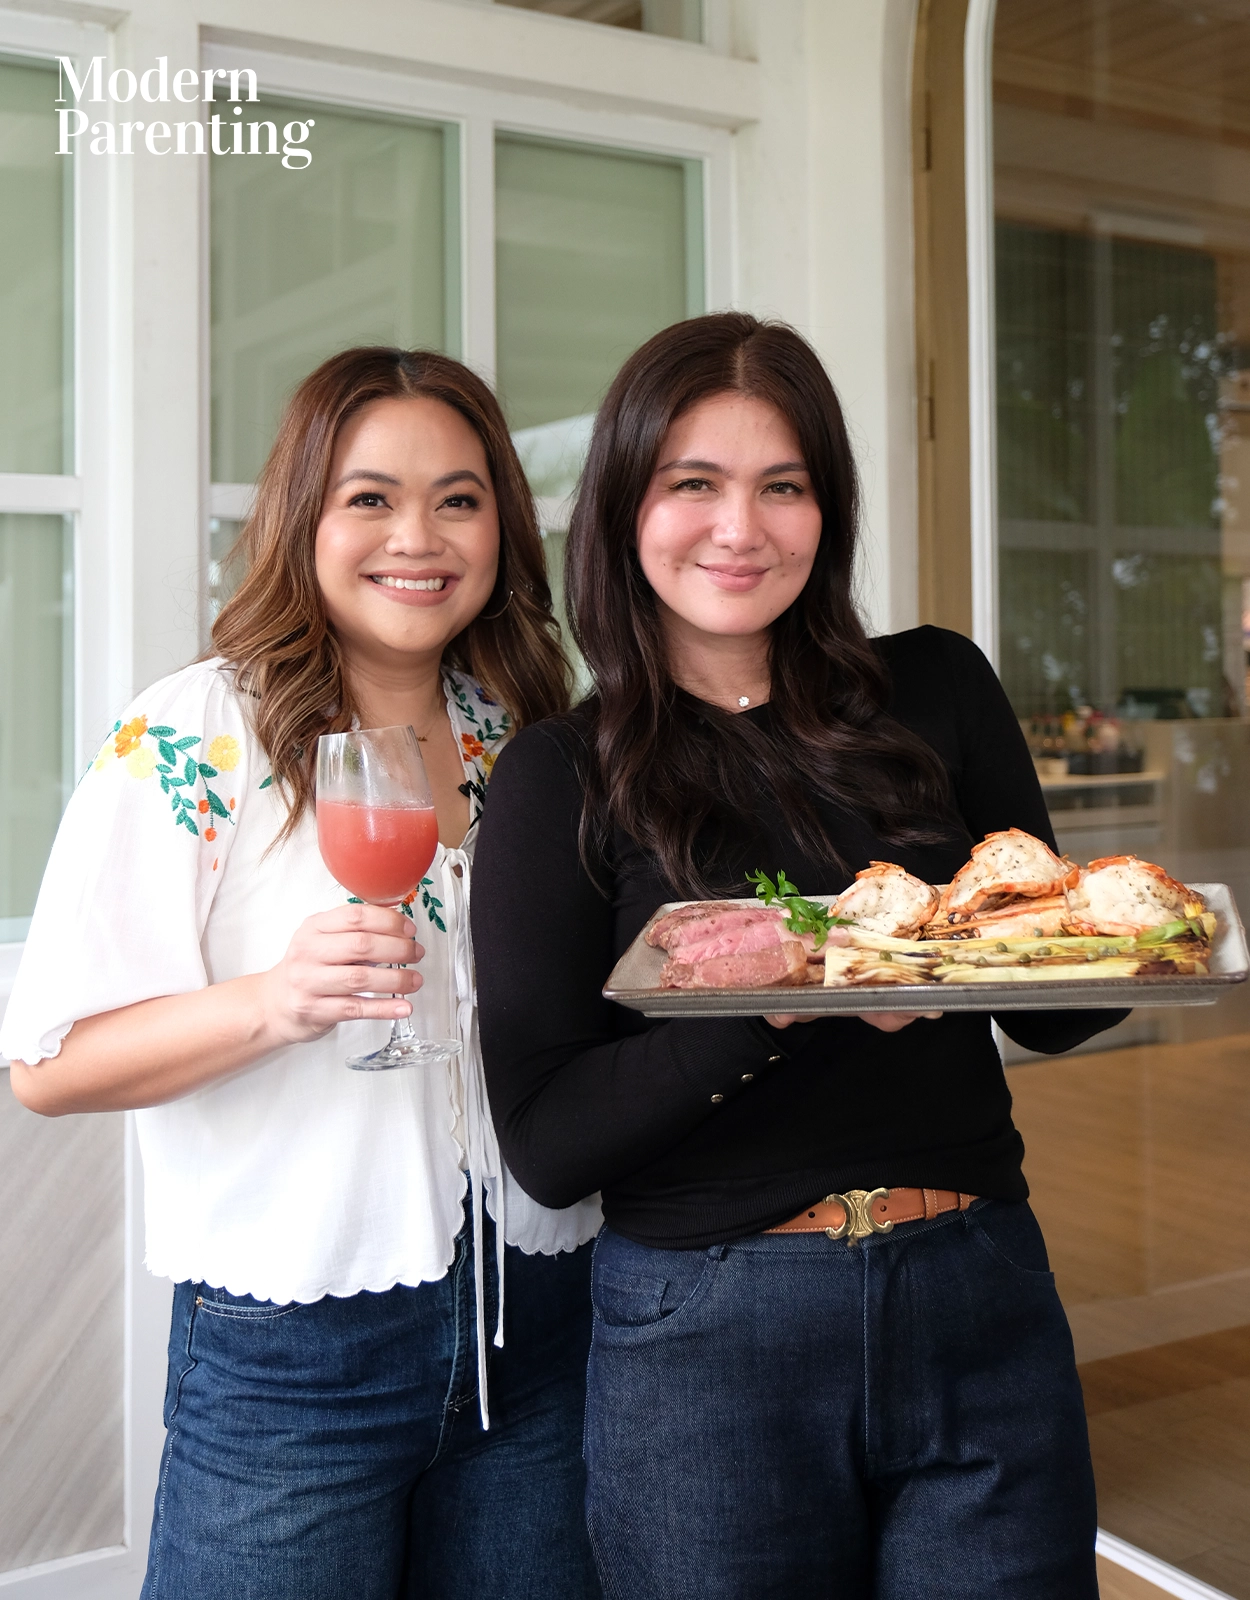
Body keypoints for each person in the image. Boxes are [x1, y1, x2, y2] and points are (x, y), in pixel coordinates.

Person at [470, 313, 1126, 1600]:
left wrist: (1082, 944)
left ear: (827, 509)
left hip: (974, 1287)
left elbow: (1054, 1010)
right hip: (708, 1335)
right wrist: (785, 997)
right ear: (622, 503)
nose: (740, 527)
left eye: (783, 485)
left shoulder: (936, 686)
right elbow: (545, 1142)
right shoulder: (562, 771)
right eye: (692, 483)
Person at [3, 348, 602, 1600]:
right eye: (369, 497)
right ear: (303, 517)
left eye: (457, 499)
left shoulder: (521, 733)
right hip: (295, 1360)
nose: (417, 537)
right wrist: (272, 1002)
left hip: (540, 1324)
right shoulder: (196, 731)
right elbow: (48, 1065)